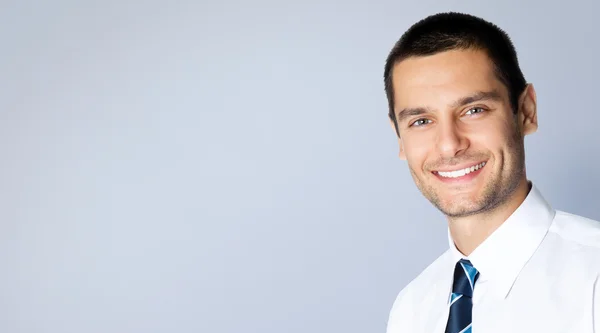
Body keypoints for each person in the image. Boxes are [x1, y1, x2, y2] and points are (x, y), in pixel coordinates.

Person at [382, 11, 600, 333]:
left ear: (525, 111)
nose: (448, 145)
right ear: (399, 137)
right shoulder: (410, 310)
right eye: (421, 121)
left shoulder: (593, 276)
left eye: (474, 110)